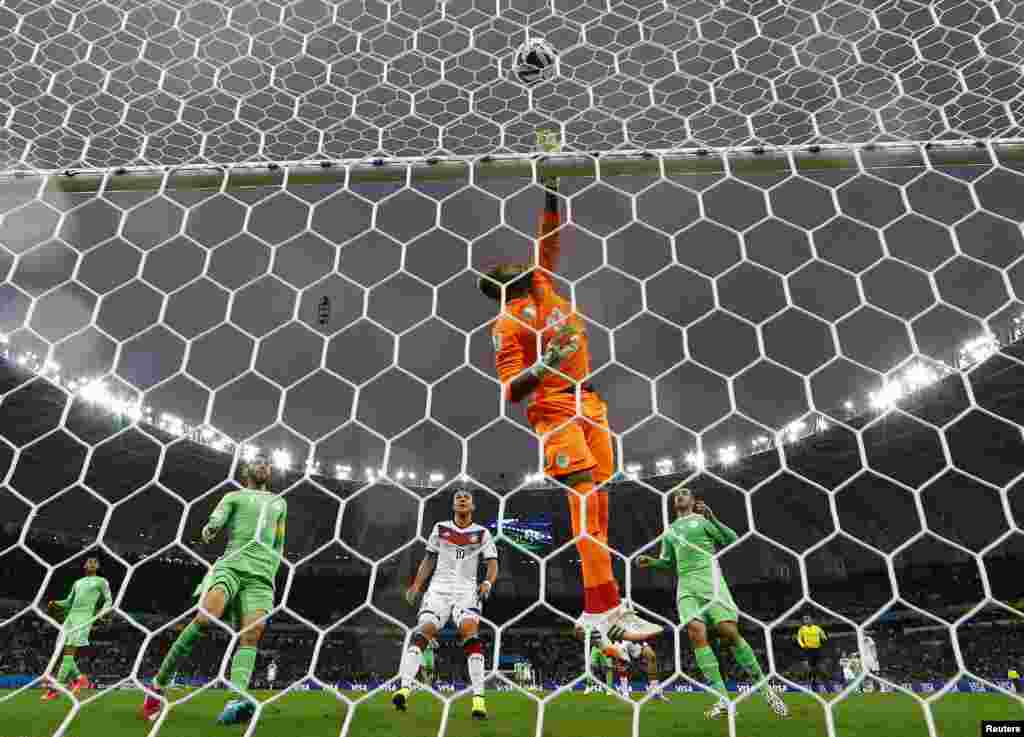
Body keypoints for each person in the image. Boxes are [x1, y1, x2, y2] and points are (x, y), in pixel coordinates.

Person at [480, 130, 660, 648]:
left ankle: (600, 604)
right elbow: (511, 389)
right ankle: (604, 609)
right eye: (504, 267)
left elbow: (550, 237)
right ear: (499, 286)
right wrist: (546, 365)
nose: (515, 262)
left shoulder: (542, 286)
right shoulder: (507, 324)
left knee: (598, 504)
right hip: (552, 405)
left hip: (590, 401)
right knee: (582, 495)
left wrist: (552, 180)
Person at [140, 455, 287, 725]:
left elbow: (279, 541)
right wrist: (212, 527)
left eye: (267, 462)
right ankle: (158, 686)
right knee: (205, 618)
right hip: (231, 565)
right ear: (246, 471)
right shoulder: (234, 496)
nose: (264, 464)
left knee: (251, 635)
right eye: (258, 461)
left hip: (262, 576)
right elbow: (219, 515)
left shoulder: (279, 502)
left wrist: (272, 567)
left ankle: (238, 701)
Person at [637, 485, 788, 720]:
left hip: (711, 581)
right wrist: (652, 562)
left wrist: (712, 516)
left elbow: (731, 539)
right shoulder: (670, 532)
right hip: (686, 586)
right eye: (676, 493)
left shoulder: (703, 520)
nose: (679, 495)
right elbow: (668, 563)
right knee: (695, 632)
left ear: (693, 499)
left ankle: (766, 690)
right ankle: (723, 699)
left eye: (685, 492)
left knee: (728, 632)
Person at [395, 490, 498, 720]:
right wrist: (416, 585)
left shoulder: (482, 533)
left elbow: (492, 563)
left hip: (466, 591)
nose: (462, 499)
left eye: (466, 498)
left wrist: (488, 583)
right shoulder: (440, 528)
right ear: (453, 506)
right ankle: (404, 688)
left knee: (470, 631)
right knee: (425, 630)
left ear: (472, 506)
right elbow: (429, 558)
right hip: (438, 589)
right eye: (458, 498)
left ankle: (478, 701)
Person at [42, 556, 112, 701]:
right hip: (70, 618)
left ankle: (56, 688)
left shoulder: (101, 581)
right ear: (84, 566)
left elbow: (108, 600)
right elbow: (68, 602)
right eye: (89, 561)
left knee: (69, 651)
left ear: (97, 567)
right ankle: (80, 679)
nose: (92, 563)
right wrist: (55, 603)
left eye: (95, 562)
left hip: (84, 618)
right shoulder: (77, 583)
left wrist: (102, 613)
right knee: (61, 650)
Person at [797, 615, 827, 692]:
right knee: (810, 669)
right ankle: (812, 685)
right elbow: (799, 639)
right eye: (805, 619)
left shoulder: (817, 628)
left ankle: (827, 686)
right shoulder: (802, 629)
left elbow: (824, 637)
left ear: (811, 620)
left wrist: (824, 640)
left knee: (820, 668)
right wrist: (803, 646)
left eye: (808, 619)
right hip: (808, 650)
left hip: (817, 650)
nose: (806, 621)